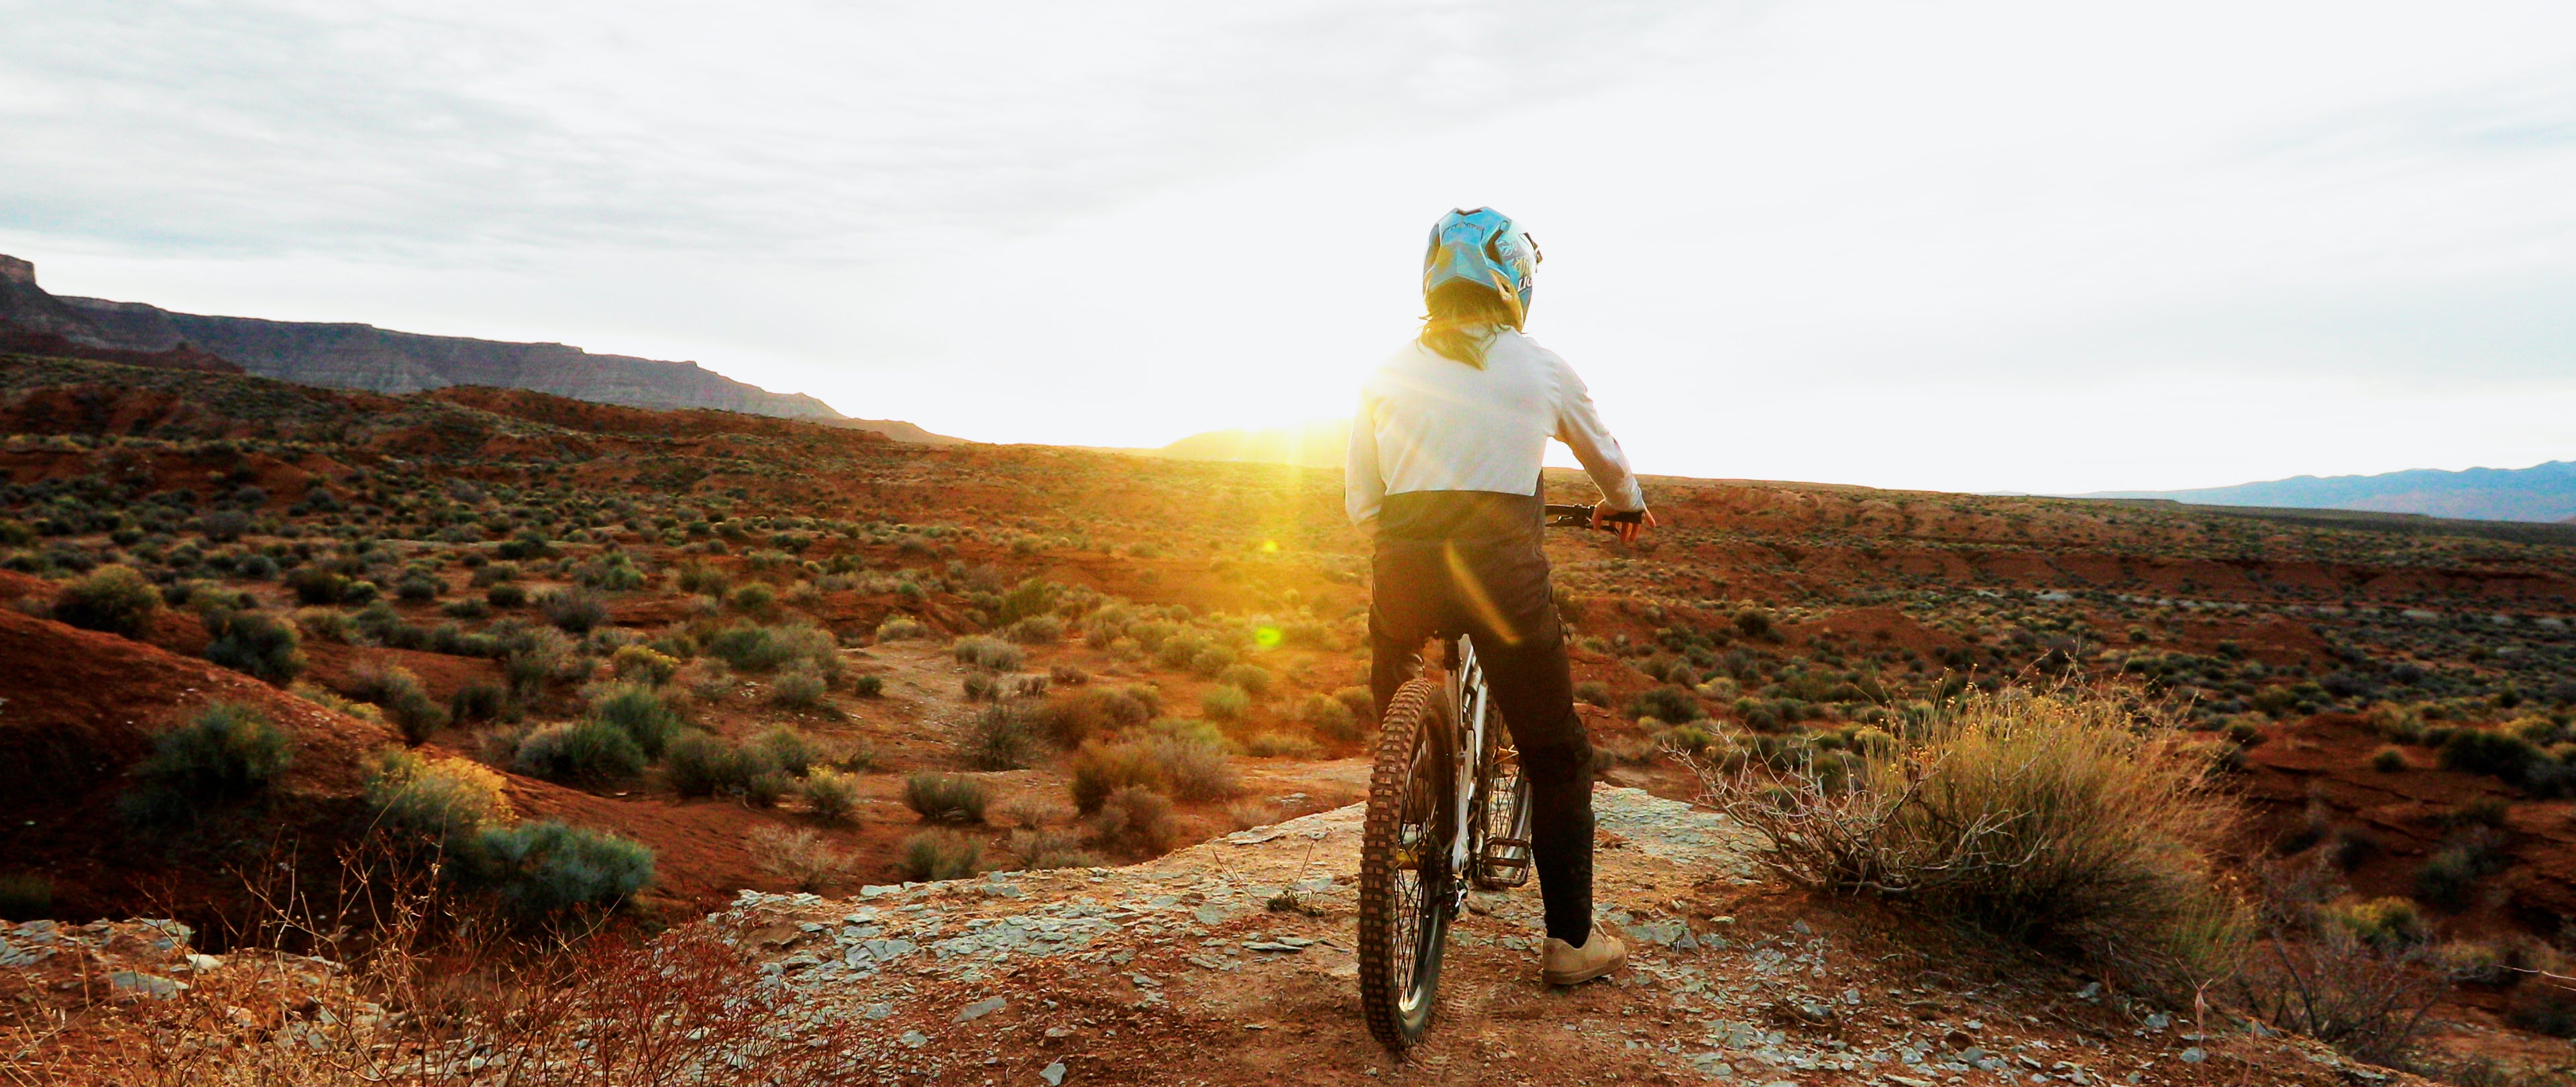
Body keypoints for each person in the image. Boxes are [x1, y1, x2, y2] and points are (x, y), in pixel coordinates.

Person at [1345, 207, 1656, 986]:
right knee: (1556, 753)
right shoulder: (1541, 368)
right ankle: (1570, 944)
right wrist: (1624, 501)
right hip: (1503, 580)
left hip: (1407, 570)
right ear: (1515, 281)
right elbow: (1610, 465)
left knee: (1397, 701)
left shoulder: (1385, 373)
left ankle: (1414, 806)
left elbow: (1362, 503)